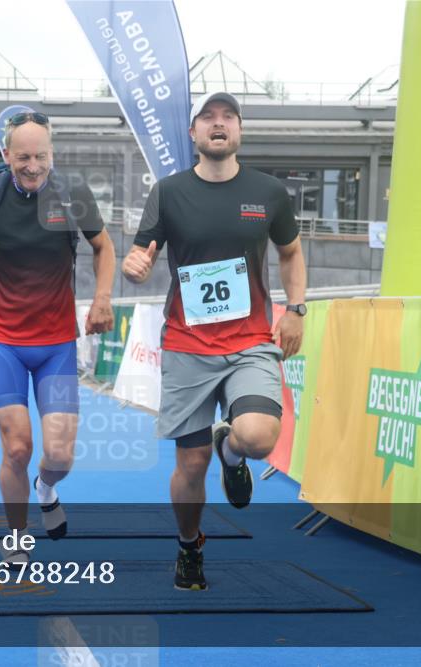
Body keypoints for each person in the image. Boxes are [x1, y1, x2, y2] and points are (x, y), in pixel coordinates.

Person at [121, 92, 307, 591]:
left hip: (249, 342)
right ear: (194, 134)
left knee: (259, 437)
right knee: (190, 463)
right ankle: (189, 546)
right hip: (187, 345)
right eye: (208, 118)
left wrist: (297, 309)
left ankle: (234, 452)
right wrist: (133, 266)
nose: (218, 124)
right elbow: (142, 254)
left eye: (228, 118)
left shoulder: (268, 193)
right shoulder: (169, 191)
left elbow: (290, 252)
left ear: (240, 132)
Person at [0, 111, 115, 566]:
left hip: (57, 346)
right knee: (17, 447)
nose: (33, 165)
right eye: (23, 156)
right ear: (7, 155)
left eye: (41, 156)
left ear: (53, 154)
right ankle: (16, 534)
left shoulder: (73, 195)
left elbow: (103, 246)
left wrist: (102, 297)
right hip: (4, 341)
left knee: (60, 454)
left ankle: (46, 487)